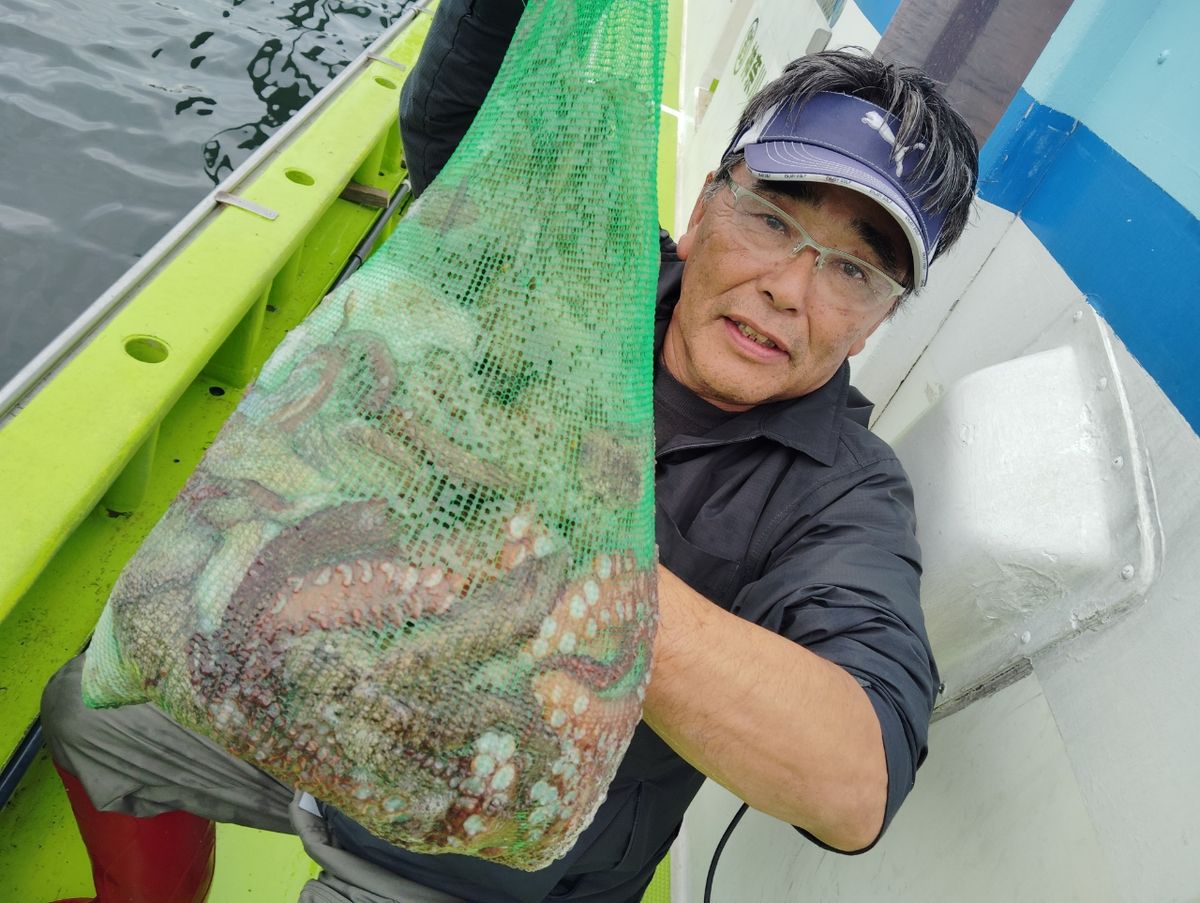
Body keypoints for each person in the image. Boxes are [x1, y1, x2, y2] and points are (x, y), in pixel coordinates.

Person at [39, 1, 979, 901]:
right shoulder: (580, 270)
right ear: (702, 212)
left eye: (852, 270)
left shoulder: (845, 495)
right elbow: (459, 123)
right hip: (335, 688)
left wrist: (586, 563)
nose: (787, 289)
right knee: (93, 708)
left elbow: (855, 782)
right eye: (773, 220)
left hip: (483, 860)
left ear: (874, 323)